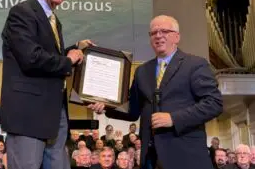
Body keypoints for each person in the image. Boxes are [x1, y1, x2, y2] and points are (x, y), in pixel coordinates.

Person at [89, 15, 223, 169]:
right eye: (153, 33)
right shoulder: (142, 71)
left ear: (177, 37)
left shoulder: (195, 64)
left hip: (186, 156)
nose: (158, 36)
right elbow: (132, 111)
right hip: (151, 157)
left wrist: (174, 118)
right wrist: (106, 105)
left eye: (164, 31)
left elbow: (214, 103)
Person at [0, 0, 93, 169]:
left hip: (55, 114)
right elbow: (31, 58)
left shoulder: (54, 21)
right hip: (28, 116)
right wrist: (68, 60)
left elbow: (47, 55)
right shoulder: (22, 12)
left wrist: (76, 49)